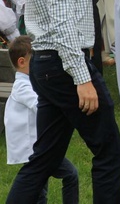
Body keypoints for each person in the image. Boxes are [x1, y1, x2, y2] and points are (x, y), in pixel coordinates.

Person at [6, 0, 120, 203]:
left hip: (47, 64)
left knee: (43, 158)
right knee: (109, 153)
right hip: (62, 64)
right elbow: (62, 24)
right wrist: (83, 77)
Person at [4, 36, 79, 203]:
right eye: (35, 58)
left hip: (39, 147)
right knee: (70, 175)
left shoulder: (32, 82)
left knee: (39, 190)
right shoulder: (22, 87)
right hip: (33, 149)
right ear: (22, 62)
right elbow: (40, 105)